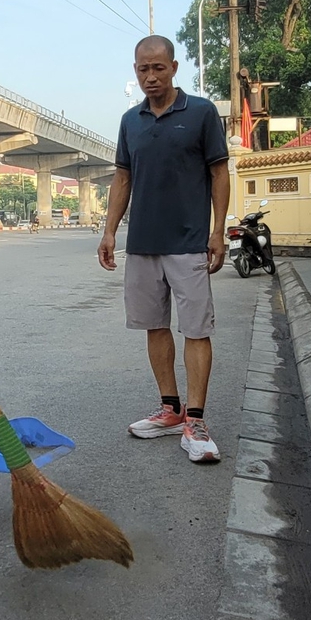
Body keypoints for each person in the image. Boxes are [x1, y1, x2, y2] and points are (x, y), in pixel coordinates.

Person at [97, 36, 230, 464]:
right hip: (143, 245)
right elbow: (122, 179)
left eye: (158, 68)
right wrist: (109, 231)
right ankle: (170, 410)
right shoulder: (130, 121)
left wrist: (218, 230)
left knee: (195, 329)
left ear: (173, 67)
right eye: (142, 70)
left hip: (190, 242)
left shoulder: (202, 113)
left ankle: (196, 420)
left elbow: (219, 173)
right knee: (154, 326)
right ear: (134, 70)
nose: (150, 77)